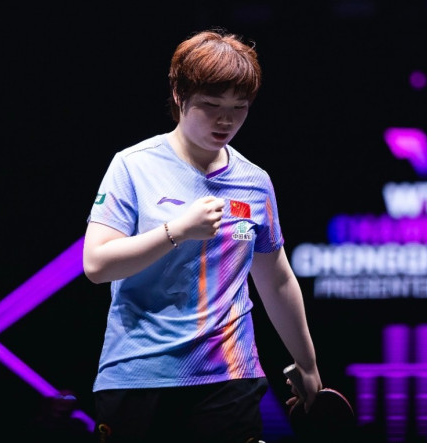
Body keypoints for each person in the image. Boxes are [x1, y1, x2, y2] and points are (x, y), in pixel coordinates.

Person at [82, 29, 322, 443]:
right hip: (137, 374)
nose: (225, 120)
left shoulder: (255, 182)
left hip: (229, 376)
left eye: (239, 108)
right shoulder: (132, 166)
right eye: (211, 105)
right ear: (179, 94)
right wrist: (177, 231)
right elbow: (97, 265)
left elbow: (277, 279)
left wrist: (308, 363)